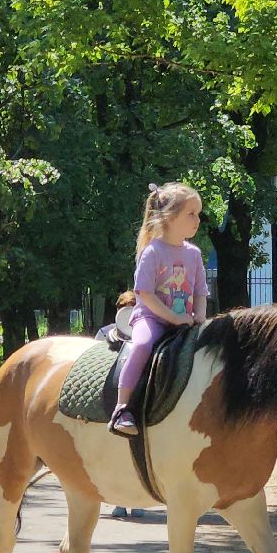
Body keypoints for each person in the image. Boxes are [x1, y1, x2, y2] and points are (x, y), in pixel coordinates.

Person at [110, 183, 207, 437]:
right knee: (142, 346)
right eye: (191, 213)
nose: (197, 219)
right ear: (170, 217)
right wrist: (173, 317)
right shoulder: (152, 252)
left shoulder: (194, 255)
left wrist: (200, 317)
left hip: (186, 321)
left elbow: (199, 292)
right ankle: (122, 407)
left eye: (198, 213)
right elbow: (144, 293)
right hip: (151, 318)